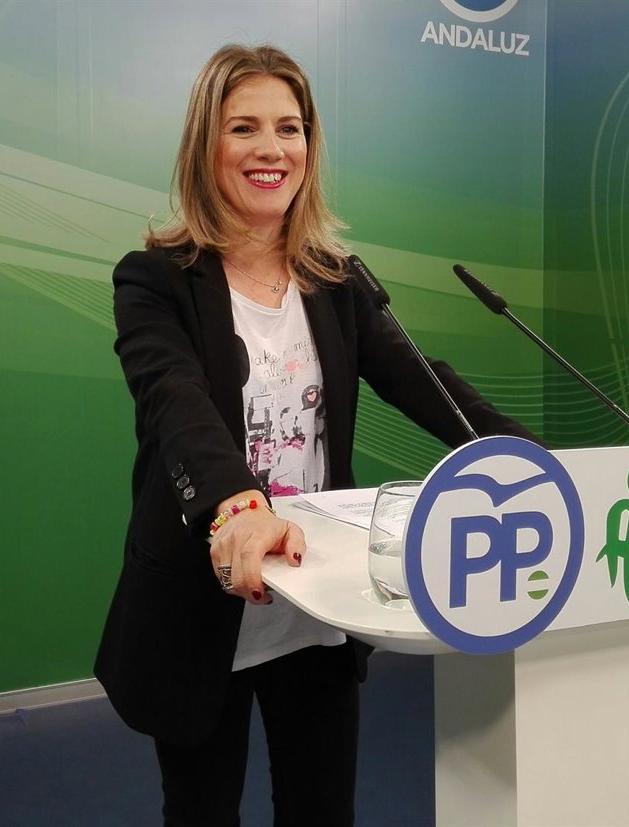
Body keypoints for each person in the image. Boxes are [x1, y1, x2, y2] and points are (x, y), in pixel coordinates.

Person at [94, 43, 535, 826]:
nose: (271, 149)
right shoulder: (154, 280)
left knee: (323, 809)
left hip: (319, 608)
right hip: (204, 603)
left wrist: (524, 457)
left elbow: (423, 381)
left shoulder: (336, 282)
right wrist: (239, 504)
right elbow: (175, 402)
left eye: (289, 128)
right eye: (244, 128)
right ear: (205, 145)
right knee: (200, 812)